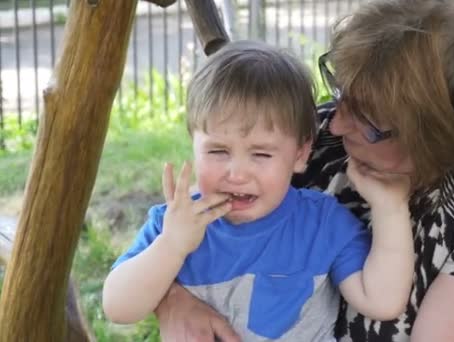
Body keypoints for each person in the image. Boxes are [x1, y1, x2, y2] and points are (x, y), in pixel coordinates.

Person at [154, 0, 454, 341]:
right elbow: (191, 230)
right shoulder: (323, 139)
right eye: (343, 91)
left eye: (367, 118)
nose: (335, 123)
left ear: (437, 133)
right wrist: (174, 299)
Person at [102, 40, 415, 341]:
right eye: (218, 151)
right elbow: (118, 308)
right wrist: (171, 245)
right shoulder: (175, 222)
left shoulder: (322, 223)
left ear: (300, 155)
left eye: (261, 154)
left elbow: (382, 301)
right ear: (193, 144)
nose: (236, 173)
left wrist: (390, 208)